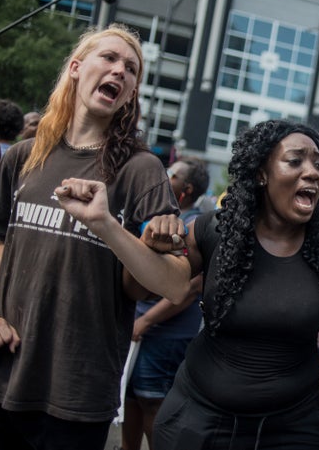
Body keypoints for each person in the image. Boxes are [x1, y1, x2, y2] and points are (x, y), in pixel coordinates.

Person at [55, 119, 319, 449]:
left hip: (294, 428)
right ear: (261, 172)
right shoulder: (217, 230)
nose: (313, 172)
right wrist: (106, 225)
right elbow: (165, 286)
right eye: (295, 160)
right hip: (201, 422)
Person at [0, 24, 179, 450]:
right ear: (76, 68)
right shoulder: (24, 154)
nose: (120, 71)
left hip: (77, 394)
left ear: (131, 93)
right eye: (109, 59)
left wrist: (111, 227)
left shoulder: (141, 169)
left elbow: (170, 283)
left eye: (131, 69)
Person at [121, 157, 210, 450]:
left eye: (171, 174)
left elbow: (189, 288)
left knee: (153, 403)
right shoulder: (161, 216)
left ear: (186, 188)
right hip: (142, 329)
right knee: (132, 399)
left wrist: (146, 321)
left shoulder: (196, 225)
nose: (164, 177)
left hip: (166, 334)